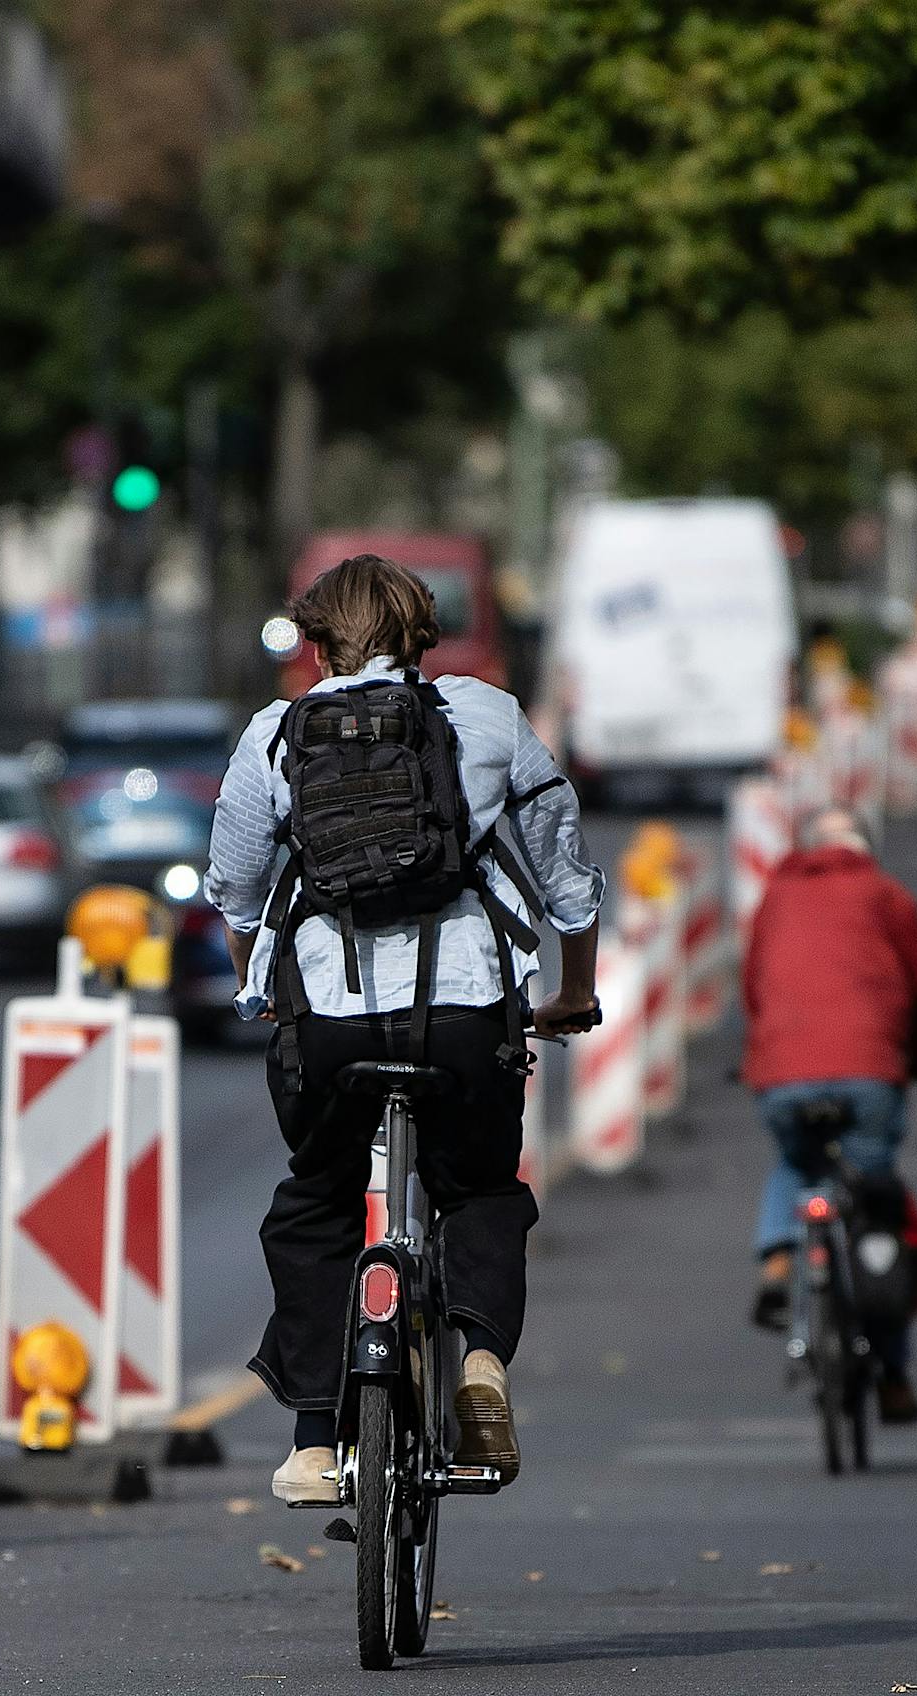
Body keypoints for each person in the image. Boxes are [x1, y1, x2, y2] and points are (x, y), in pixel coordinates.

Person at [206, 555, 604, 1507]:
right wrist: (572, 993)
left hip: (329, 1024)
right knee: (479, 1190)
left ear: (315, 645)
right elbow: (568, 882)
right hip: (468, 1012)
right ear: (423, 633)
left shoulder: (273, 736)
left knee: (316, 1201)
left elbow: (236, 892)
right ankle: (480, 1363)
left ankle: (313, 1444)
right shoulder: (489, 717)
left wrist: (261, 992)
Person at [742, 805, 917, 1423]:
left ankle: (778, 1257)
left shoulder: (775, 897)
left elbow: (755, 986)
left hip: (783, 1073)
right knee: (876, 1211)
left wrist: (765, 1053)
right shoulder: (889, 896)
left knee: (796, 1163)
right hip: (869, 1073)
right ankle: (894, 1375)